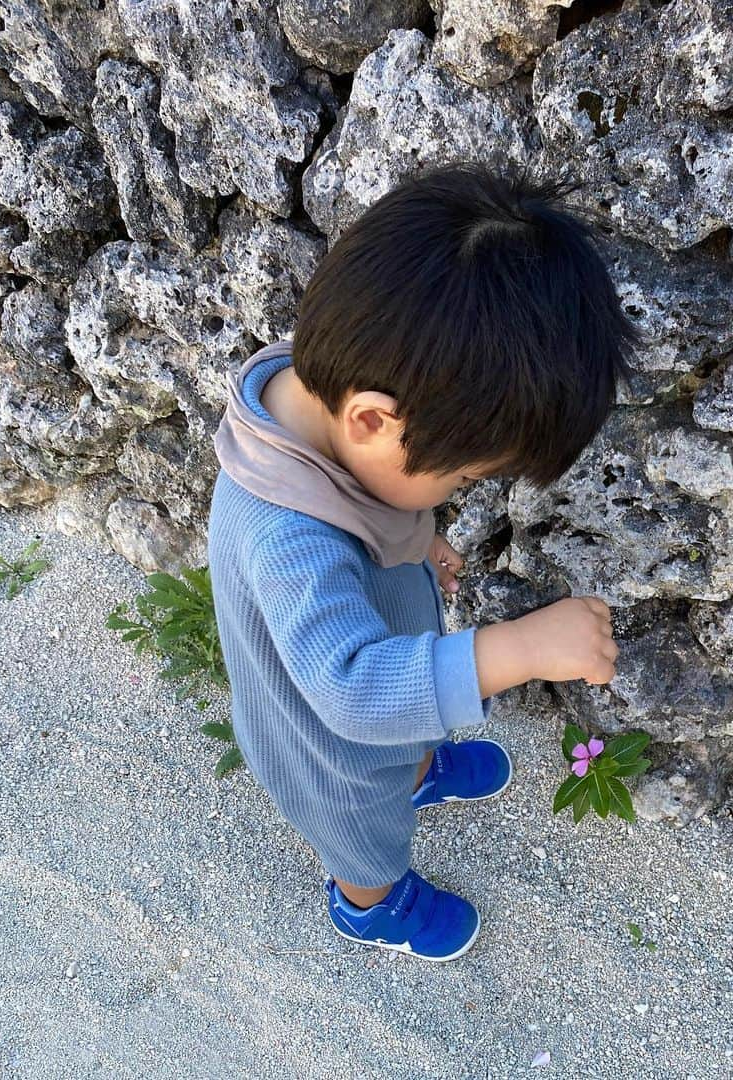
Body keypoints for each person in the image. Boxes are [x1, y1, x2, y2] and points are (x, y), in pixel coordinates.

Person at [207, 161, 640, 961]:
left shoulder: (333, 395)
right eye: (465, 476)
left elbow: (379, 500)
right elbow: (352, 691)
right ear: (373, 420)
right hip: (327, 746)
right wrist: (522, 649)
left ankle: (417, 767)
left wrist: (416, 537)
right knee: (364, 833)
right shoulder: (285, 537)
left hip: (375, 702)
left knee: (397, 751)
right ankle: (371, 907)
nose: (462, 489)